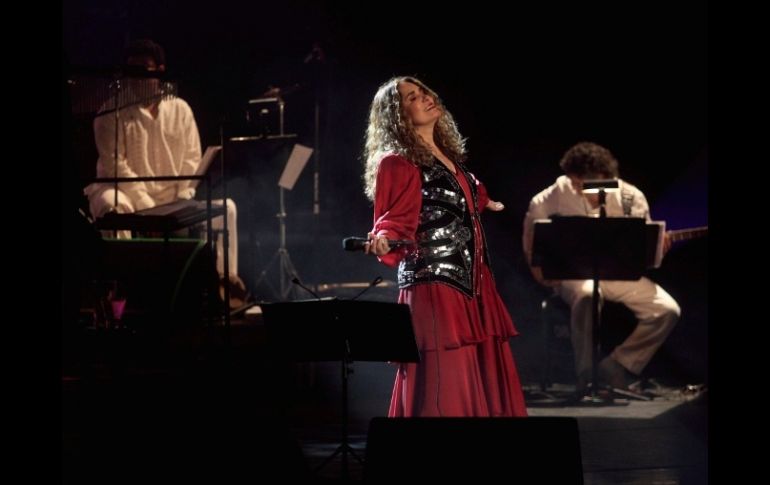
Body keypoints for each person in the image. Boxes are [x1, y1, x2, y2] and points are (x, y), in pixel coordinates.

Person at [362, 76, 527, 417]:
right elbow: (394, 217)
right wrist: (383, 239)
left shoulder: (447, 155)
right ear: (397, 114)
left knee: (480, 371)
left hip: (473, 284)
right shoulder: (398, 161)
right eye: (412, 97)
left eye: (423, 91)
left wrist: (484, 202)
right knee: (446, 381)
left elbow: (457, 197)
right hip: (436, 287)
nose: (424, 98)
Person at [82, 39, 247, 307]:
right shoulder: (109, 114)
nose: (138, 78)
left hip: (172, 199)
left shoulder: (180, 109)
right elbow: (116, 167)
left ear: (160, 70)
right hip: (126, 194)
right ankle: (123, 291)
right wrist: (149, 211)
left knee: (226, 208)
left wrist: (182, 199)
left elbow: (192, 158)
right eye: (132, 71)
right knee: (112, 204)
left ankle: (221, 286)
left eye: (145, 70)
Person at [522, 141, 680, 392]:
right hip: (573, 275)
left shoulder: (631, 197)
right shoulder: (553, 195)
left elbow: (643, 252)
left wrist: (656, 248)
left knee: (666, 309)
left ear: (605, 178)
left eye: (581, 183)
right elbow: (533, 240)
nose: (575, 187)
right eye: (573, 181)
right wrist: (540, 273)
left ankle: (617, 364)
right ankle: (585, 375)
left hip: (617, 274)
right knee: (587, 294)